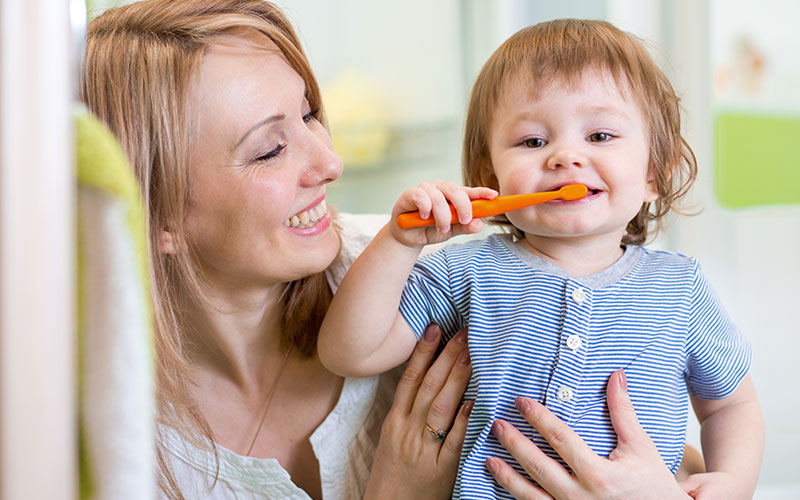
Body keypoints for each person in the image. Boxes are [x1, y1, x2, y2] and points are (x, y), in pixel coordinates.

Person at [318, 19, 764, 500]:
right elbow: (350, 353)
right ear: (492, 176)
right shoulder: (462, 273)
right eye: (533, 141)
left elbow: (730, 407)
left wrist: (731, 485)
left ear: (653, 172)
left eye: (600, 135)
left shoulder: (682, 289)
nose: (565, 156)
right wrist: (399, 242)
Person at [82, 1, 475, 498]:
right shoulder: (92, 433)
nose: (330, 163)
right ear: (157, 214)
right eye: (270, 149)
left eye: (309, 114)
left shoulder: (428, 279)